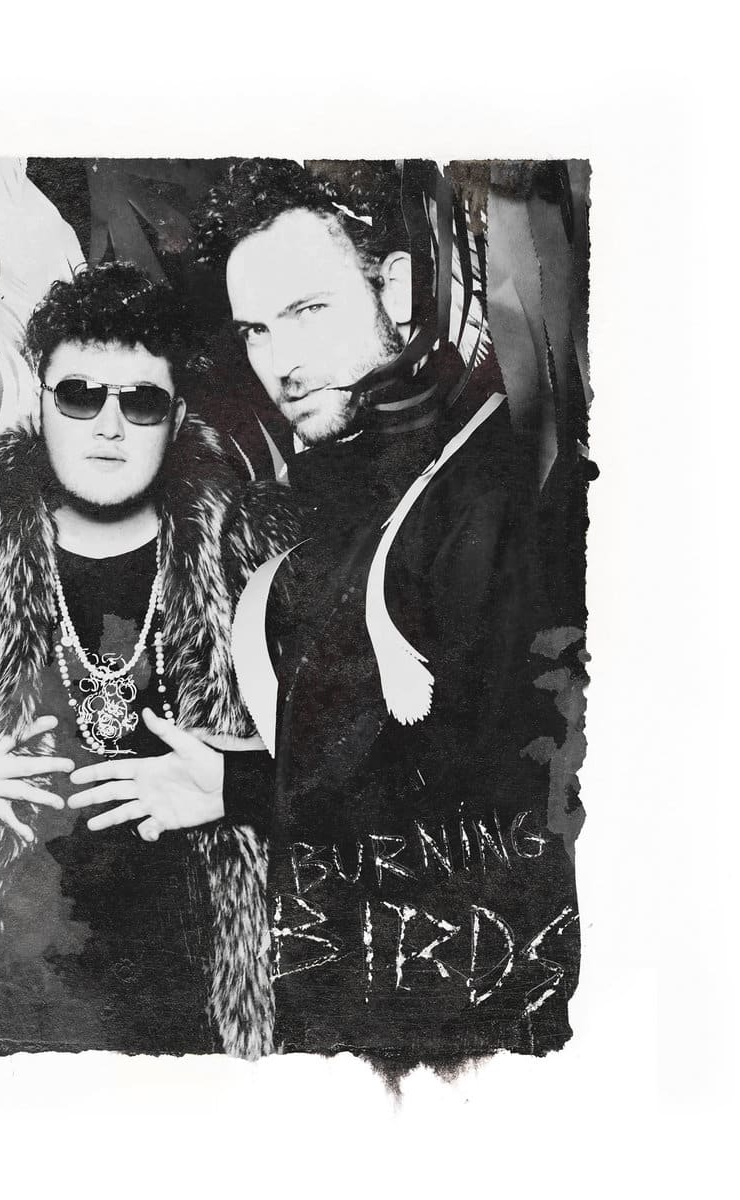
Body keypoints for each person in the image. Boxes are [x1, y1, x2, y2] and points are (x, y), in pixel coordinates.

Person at [192, 160, 580, 1060]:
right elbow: (397, 775)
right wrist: (237, 786)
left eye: (308, 311)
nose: (282, 364)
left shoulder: (488, 490)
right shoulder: (355, 503)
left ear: (399, 292)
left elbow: (502, 812)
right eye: (256, 331)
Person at [0, 263, 296, 1056]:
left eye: (141, 402)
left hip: (201, 1003)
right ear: (41, 400)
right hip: (8, 1005)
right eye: (80, 396)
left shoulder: (249, 561)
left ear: (176, 417)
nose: (109, 426)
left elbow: (351, 768)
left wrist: (245, 784)